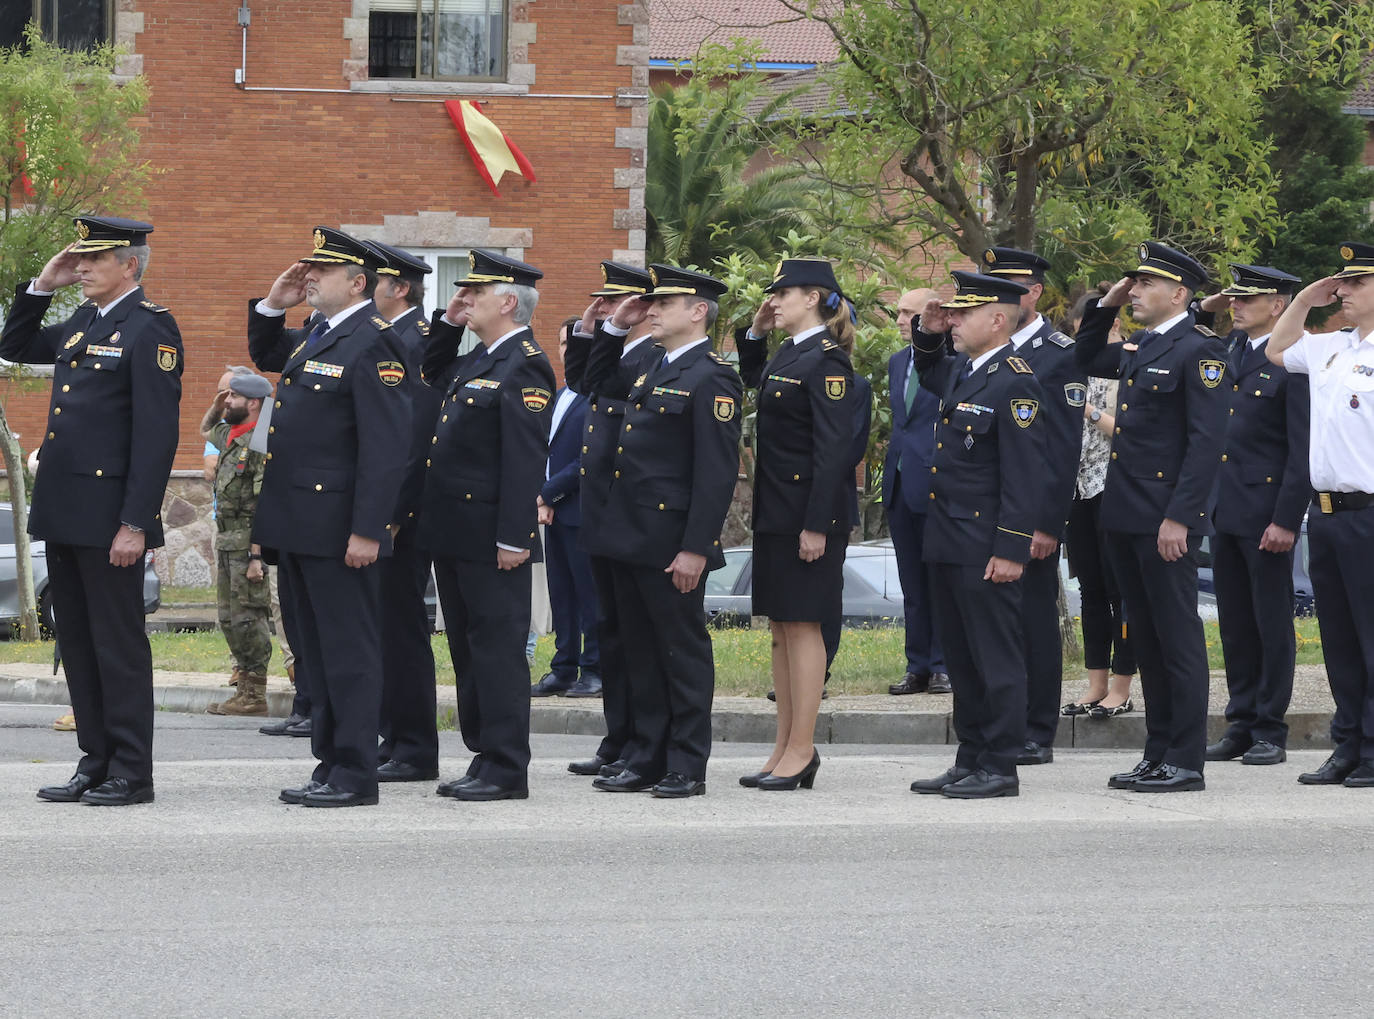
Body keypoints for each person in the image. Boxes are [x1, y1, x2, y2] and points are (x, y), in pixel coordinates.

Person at [2, 216, 183, 806]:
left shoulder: (150, 329)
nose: (80, 267)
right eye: (79, 259)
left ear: (129, 265)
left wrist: (136, 523)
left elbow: (155, 438)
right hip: (66, 510)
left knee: (118, 645)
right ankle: (96, 759)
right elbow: (14, 346)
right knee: (77, 643)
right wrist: (41, 287)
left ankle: (132, 770)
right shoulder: (84, 319)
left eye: (93, 259)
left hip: (110, 518)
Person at [248, 226, 412, 808]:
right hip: (300, 524)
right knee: (317, 653)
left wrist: (369, 529)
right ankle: (329, 760)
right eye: (309, 269)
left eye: (323, 271)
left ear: (358, 282)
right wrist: (273, 303)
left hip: (341, 529)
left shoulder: (374, 342)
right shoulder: (321, 333)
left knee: (349, 652)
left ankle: (355, 772)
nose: (310, 277)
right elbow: (265, 354)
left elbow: (386, 448)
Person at [584, 264, 742, 798]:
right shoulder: (653, 363)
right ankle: (647, 755)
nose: (651, 309)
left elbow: (715, 473)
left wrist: (695, 548)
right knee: (641, 652)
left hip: (670, 541)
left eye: (664, 304)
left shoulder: (713, 375)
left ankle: (686, 764)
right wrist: (612, 329)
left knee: (680, 654)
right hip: (630, 534)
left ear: (698, 311)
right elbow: (594, 385)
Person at [1076, 242, 1228, 793]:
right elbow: (1086, 358)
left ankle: (1185, 759)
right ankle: (1157, 751)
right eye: (1132, 283)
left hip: (1165, 521)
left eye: (1144, 284)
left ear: (1179, 294)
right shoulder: (1142, 347)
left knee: (1176, 639)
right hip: (1125, 515)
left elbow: (1206, 444)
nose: (1135, 291)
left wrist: (1181, 518)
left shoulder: (1199, 351)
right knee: (1145, 636)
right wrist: (1106, 304)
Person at [904, 271, 1046, 799]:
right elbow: (928, 365)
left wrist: (1011, 548)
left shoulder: (1016, 380)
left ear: (997, 319)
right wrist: (929, 328)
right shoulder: (966, 371)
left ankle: (1000, 765)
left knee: (995, 656)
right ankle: (971, 755)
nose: (955, 320)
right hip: (948, 540)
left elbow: (1024, 473)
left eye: (964, 314)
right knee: (962, 658)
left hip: (986, 546)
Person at [420, 249, 554, 802]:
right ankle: (483, 754)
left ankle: (506, 765)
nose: (466, 298)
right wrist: (448, 323)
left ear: (508, 301)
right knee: (469, 649)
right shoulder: (480, 358)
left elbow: (525, 459)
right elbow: (430, 371)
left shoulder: (525, 364)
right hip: (455, 530)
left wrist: (513, 537)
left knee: (497, 651)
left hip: (492, 536)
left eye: (476, 293)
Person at [735, 258, 854, 791]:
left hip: (808, 517)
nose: (773, 301)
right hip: (777, 513)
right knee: (782, 630)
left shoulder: (828, 361)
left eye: (783, 293)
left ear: (814, 297)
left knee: (804, 627)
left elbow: (833, 453)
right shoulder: (791, 351)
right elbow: (754, 380)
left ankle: (803, 749)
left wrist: (818, 525)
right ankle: (783, 744)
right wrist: (756, 333)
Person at [1265, 241, 1374, 787]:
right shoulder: (1332, 346)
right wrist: (1306, 299)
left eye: (1357, 282)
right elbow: (1277, 351)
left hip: (1370, 514)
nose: (1345, 291)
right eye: (1343, 282)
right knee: (1339, 638)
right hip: (1327, 515)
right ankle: (1349, 743)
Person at [1199, 264, 1309, 767]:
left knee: (1270, 623)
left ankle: (1270, 727)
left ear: (1278, 305)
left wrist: (1286, 518)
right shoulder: (1225, 354)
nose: (1236, 305)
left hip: (1266, 513)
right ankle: (1240, 720)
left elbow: (1300, 450)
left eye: (1248, 298)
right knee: (1235, 624)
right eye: (1235, 299)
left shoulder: (1293, 360)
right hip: (1224, 509)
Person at [980, 248, 1086, 765]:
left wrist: (1047, 523)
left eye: (1008, 287)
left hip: (1031, 517)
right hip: (984, 510)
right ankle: (999, 723)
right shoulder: (981, 348)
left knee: (1035, 622)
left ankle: (1036, 729)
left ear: (1034, 293)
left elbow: (1062, 447)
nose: (998, 297)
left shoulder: (1059, 352)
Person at [564, 261, 661, 778]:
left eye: (614, 302)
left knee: (631, 636)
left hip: (627, 510)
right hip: (600, 506)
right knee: (611, 630)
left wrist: (608, 331)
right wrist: (587, 330)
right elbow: (583, 383)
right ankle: (617, 737)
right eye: (602, 301)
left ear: (642, 309)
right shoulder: (620, 350)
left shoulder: (650, 357)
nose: (604, 309)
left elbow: (600, 380)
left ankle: (636, 740)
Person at [361, 240, 442, 783]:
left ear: (400, 288)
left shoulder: (418, 341)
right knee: (382, 627)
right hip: (380, 505)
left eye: (374, 281)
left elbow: (414, 435)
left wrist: (391, 510)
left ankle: (413, 746)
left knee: (401, 626)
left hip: (403, 510)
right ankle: (392, 736)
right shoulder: (381, 337)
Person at [1060, 291, 1137, 718]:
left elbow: (1130, 428)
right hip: (1078, 487)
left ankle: (1122, 687)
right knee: (1089, 589)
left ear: (1114, 326)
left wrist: (1087, 411)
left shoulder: (1129, 360)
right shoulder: (1075, 368)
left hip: (1113, 483)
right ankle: (1095, 684)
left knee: (1119, 590)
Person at [884, 287, 950, 696]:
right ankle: (918, 666)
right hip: (899, 482)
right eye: (897, 312)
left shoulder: (952, 361)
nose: (900, 320)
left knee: (939, 580)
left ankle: (944, 665)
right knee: (911, 584)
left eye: (908, 312)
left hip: (935, 483)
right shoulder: (895, 363)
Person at [532, 318, 601, 698]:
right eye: (561, 342)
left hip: (579, 509)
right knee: (561, 595)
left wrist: (547, 494)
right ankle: (563, 666)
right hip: (554, 513)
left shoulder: (597, 396)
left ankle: (593, 668)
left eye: (573, 343)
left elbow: (584, 459)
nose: (566, 350)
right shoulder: (559, 396)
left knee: (589, 595)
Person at [200, 372, 275, 716]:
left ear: (254, 403)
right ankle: (242, 688)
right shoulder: (229, 435)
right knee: (229, 619)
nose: (227, 400)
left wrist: (257, 556)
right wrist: (218, 406)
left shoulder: (260, 443)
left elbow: (264, 502)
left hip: (247, 546)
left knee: (250, 619)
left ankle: (256, 694)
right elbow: (206, 430)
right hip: (227, 542)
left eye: (234, 396)